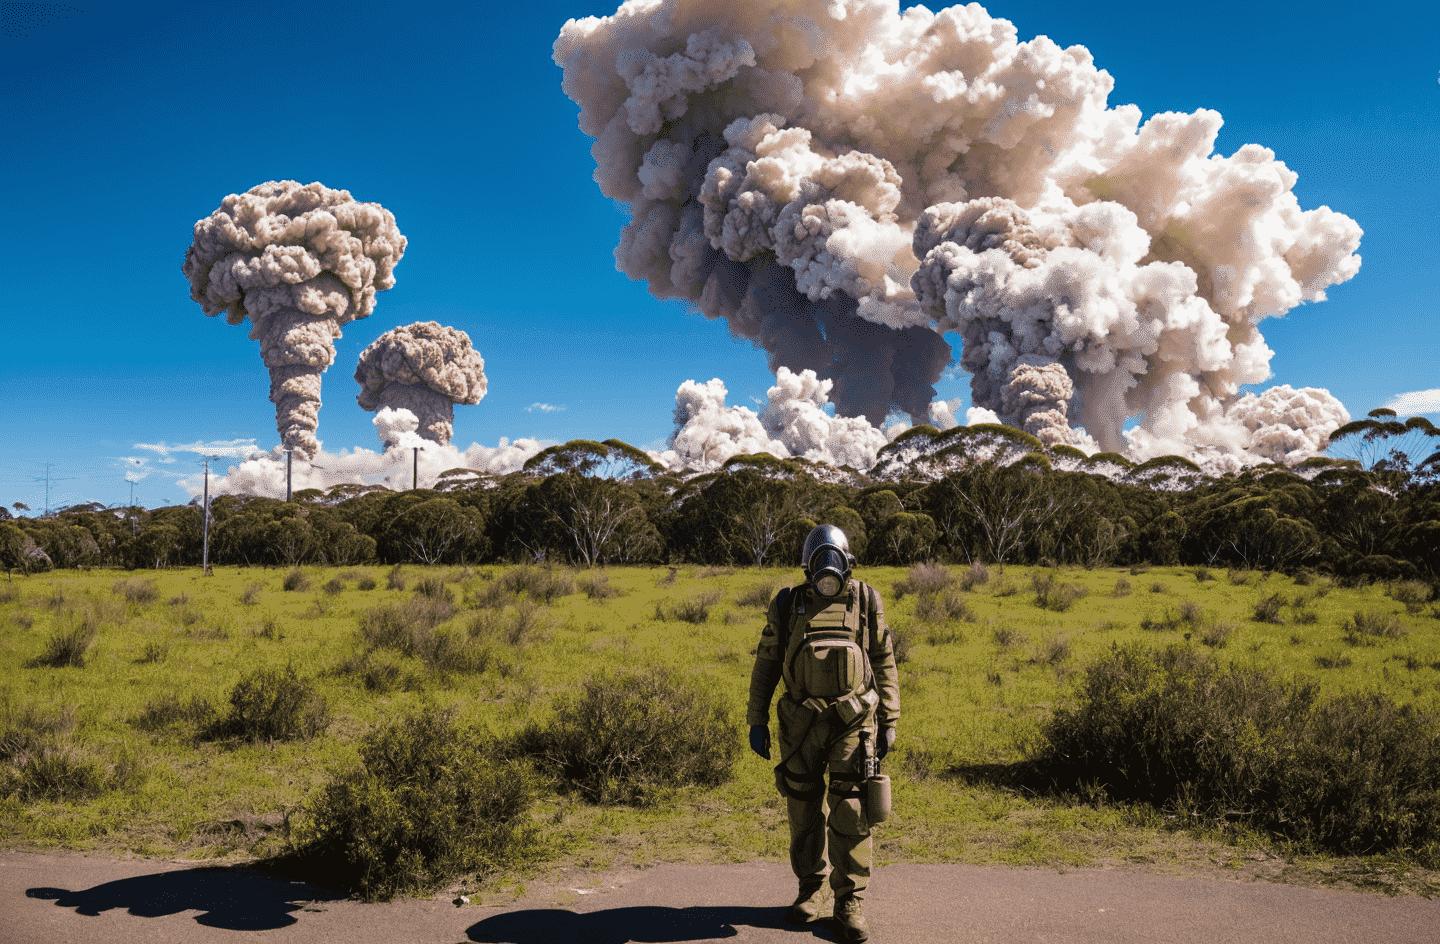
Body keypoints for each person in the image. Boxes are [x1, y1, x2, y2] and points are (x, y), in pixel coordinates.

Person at [746, 524, 900, 944]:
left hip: (854, 723)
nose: (826, 563)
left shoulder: (866, 599)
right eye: (818, 554)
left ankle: (849, 902)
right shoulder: (787, 604)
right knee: (802, 808)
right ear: (806, 564)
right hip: (800, 725)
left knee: (851, 810)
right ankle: (810, 888)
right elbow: (766, 665)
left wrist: (890, 718)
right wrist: (756, 719)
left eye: (833, 554)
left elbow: (884, 661)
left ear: (848, 561)